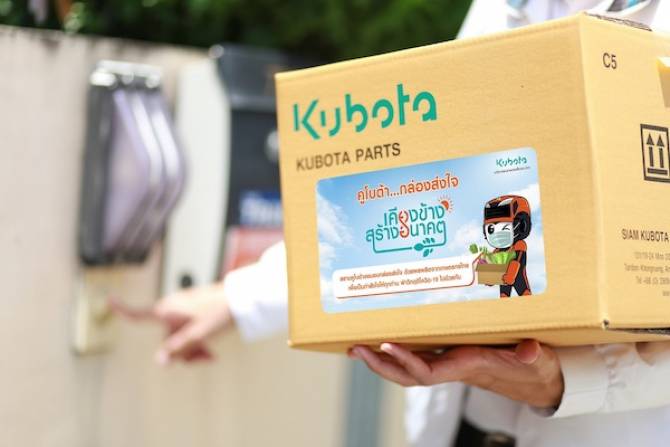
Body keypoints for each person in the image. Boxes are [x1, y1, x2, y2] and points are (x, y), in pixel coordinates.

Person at [113, 1, 670, 446]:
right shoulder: (509, 6)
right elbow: (435, 187)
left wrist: (572, 382)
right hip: (464, 428)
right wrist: (243, 298)